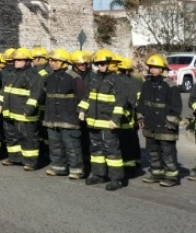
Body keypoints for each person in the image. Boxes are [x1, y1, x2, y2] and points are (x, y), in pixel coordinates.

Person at [78, 49, 126, 191]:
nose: (99, 66)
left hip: (107, 123)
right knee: (96, 150)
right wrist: (82, 110)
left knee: (112, 152)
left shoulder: (117, 81)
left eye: (102, 64)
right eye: (98, 64)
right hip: (93, 122)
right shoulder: (94, 78)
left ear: (111, 64)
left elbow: (120, 103)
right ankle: (99, 174)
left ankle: (116, 179)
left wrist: (115, 120)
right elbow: (87, 97)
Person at [137, 54, 182, 187]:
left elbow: (176, 106)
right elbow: (142, 103)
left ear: (162, 68)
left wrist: (171, 122)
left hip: (165, 125)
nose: (152, 70)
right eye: (151, 67)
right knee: (153, 151)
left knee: (167, 151)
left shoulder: (170, 85)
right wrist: (140, 117)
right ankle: (156, 173)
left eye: (156, 67)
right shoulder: (147, 84)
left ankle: (171, 176)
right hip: (150, 124)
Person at [0, 47, 44, 171]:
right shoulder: (11, 74)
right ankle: (14, 158)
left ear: (27, 61)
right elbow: (4, 91)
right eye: (15, 60)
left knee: (27, 137)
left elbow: (35, 94)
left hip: (24, 113)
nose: (16, 62)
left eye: (19, 60)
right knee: (11, 136)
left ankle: (30, 162)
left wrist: (29, 109)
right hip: (10, 112)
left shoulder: (33, 75)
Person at [42, 49, 86, 179]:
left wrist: (82, 111)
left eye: (54, 61)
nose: (51, 63)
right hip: (52, 118)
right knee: (55, 145)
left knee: (71, 145)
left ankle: (76, 170)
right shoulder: (49, 77)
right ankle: (58, 168)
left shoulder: (74, 77)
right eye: (50, 61)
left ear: (64, 62)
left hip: (69, 118)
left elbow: (83, 97)